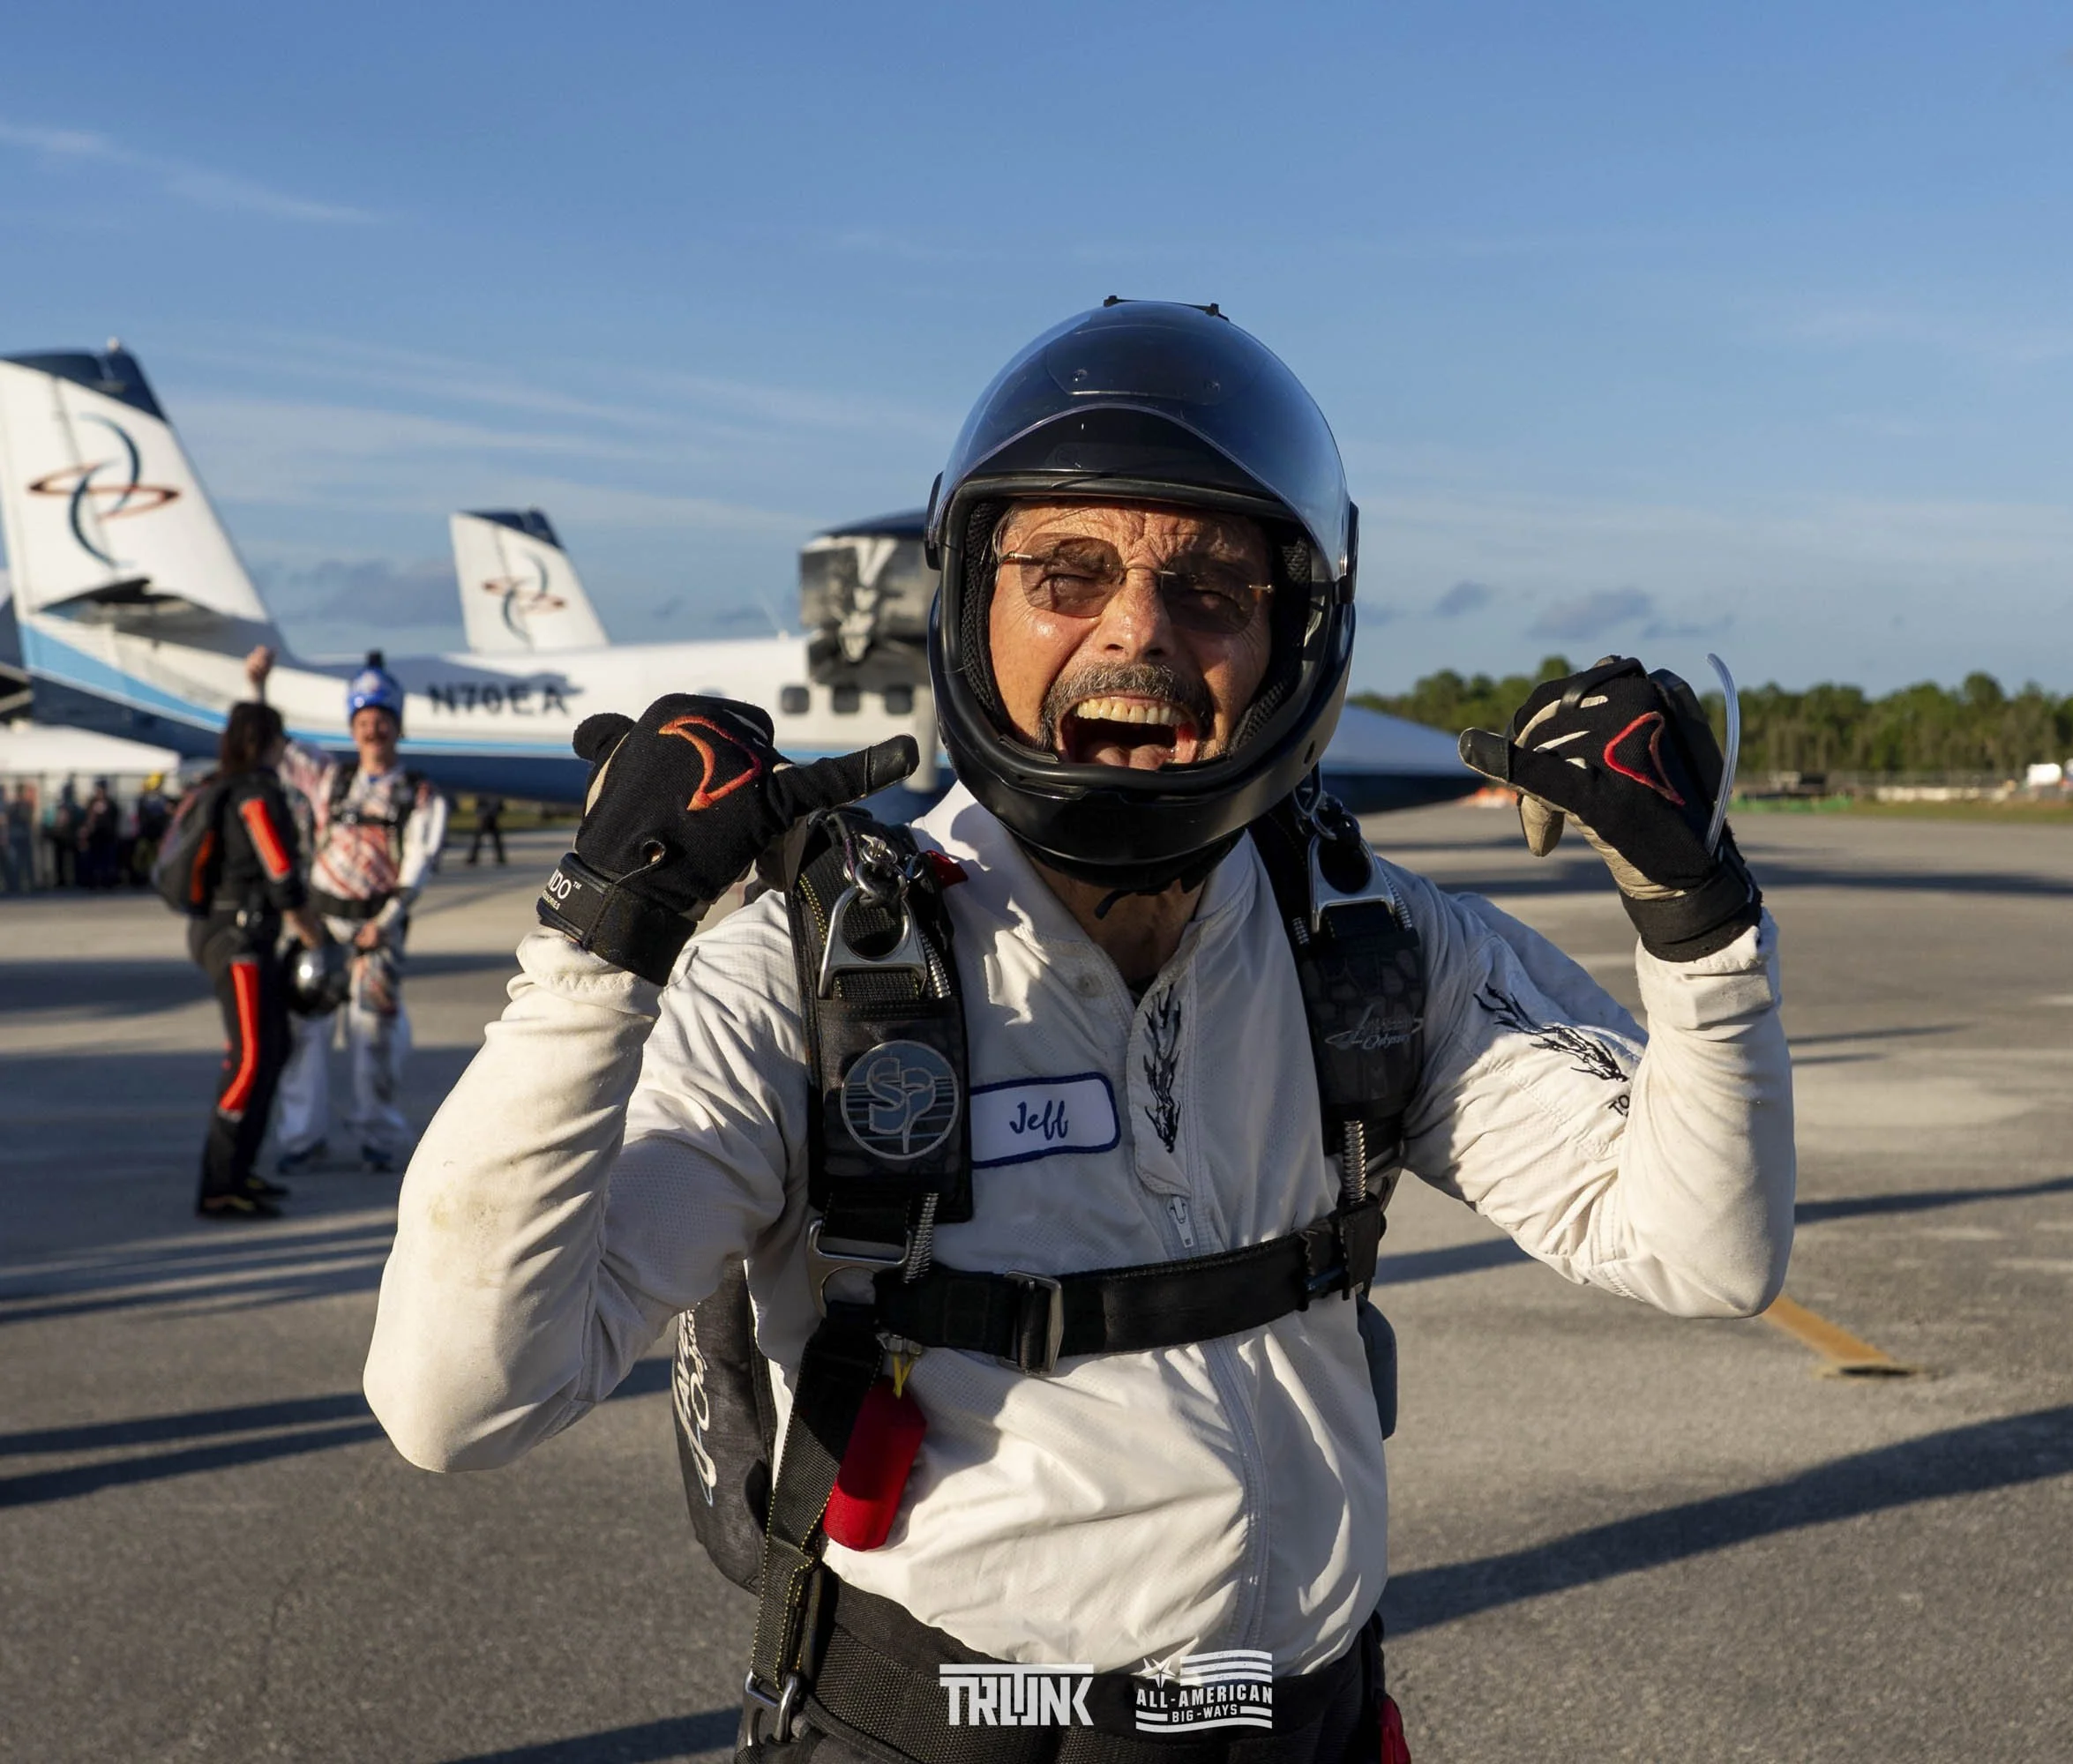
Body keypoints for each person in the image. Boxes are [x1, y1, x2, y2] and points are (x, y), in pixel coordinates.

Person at [365, 302, 1794, 1763]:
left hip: (1296, 1719)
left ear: (1297, 632)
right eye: (1067, 572)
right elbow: (462, 1400)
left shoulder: (1367, 950)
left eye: (1213, 587)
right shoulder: (801, 984)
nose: (1137, 633)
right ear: (971, 606)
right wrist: (601, 949)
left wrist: (1698, 919)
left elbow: (1702, 1250)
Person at [243, 648, 450, 1175]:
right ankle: (301, 1138)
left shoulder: (419, 794)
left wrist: (382, 927)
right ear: (352, 727)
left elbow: (418, 866)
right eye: (364, 721)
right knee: (304, 1036)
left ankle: (378, 1134)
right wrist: (257, 688)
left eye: (382, 720)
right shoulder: (329, 779)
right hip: (319, 929)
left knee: (374, 1038)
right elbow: (272, 745)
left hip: (376, 933)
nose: (373, 729)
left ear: (398, 727)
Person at [193, 700, 324, 1219]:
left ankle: (240, 1168)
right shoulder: (251, 794)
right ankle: (218, 1183)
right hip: (237, 943)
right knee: (249, 1057)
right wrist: (314, 936)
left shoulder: (238, 787)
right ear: (265, 743)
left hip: (247, 939)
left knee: (275, 1047)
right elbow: (279, 871)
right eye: (279, 739)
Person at [131, 775, 174, 887]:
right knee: (142, 857)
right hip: (146, 834)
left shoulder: (163, 800)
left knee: (155, 858)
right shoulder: (144, 800)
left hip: (158, 834)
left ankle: (153, 879)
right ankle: (142, 878)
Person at [79, 778, 121, 889]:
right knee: (93, 860)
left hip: (107, 836)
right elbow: (86, 818)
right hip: (94, 837)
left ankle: (107, 881)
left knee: (107, 860)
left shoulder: (110, 803)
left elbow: (115, 818)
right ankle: (93, 881)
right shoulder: (91, 803)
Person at [44, 782, 79, 890]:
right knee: (60, 860)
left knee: (70, 860)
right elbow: (51, 821)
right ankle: (62, 880)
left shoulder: (72, 807)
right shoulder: (60, 806)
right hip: (60, 836)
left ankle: (70, 880)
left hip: (69, 836)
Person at [3, 781, 35, 893]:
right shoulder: (13, 806)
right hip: (16, 836)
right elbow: (8, 821)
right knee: (15, 862)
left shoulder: (26, 805)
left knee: (26, 862)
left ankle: (29, 885)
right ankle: (16, 885)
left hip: (23, 836)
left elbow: (27, 819)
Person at [464, 795, 506, 866]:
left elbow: (500, 807)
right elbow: (479, 806)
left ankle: (500, 857)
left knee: (494, 839)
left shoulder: (493, 796)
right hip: (485, 817)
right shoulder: (484, 796)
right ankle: (474, 857)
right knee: (481, 839)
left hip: (491, 818)